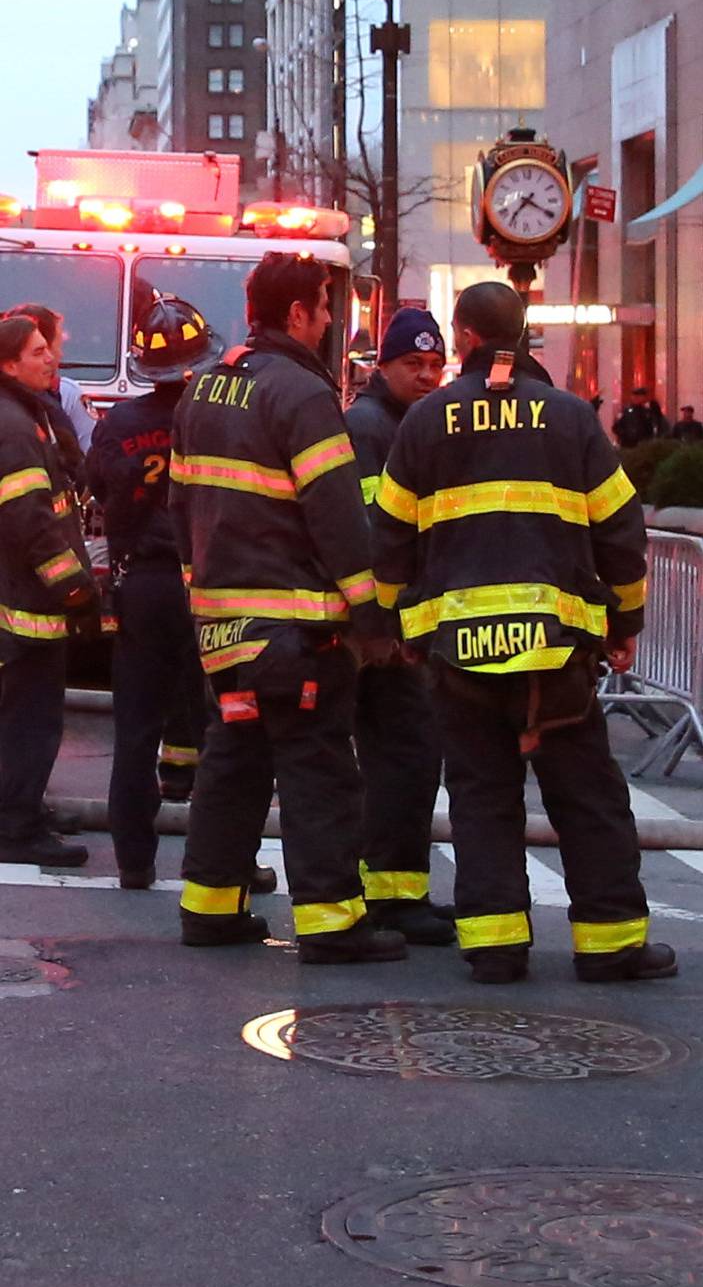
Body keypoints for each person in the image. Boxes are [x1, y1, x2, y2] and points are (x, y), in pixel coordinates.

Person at [372, 279, 674, 987]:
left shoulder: (423, 423)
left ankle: (496, 947)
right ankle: (608, 943)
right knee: (587, 793)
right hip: (557, 654)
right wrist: (624, 623)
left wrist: (404, 628)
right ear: (522, 335)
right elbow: (624, 533)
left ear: (466, 337)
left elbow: (386, 542)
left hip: (459, 656)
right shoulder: (571, 420)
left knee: (481, 793)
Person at [171, 252, 405, 963]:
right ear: (298, 313)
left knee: (234, 760)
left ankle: (209, 906)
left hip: (225, 632)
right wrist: (371, 616)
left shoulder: (202, 389)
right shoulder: (302, 394)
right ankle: (333, 923)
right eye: (325, 306)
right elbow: (337, 516)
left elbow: (181, 509)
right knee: (318, 768)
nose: (330, 320)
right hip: (297, 633)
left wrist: (202, 601)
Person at [88, 297, 226, 888]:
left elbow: (95, 486)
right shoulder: (218, 417)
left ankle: (134, 862)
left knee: (137, 728)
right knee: (222, 727)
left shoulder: (118, 424)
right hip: (208, 588)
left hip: (141, 586)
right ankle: (225, 857)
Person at [342, 304, 456, 943]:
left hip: (409, 619)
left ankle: (395, 888)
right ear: (382, 365)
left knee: (408, 756)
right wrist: (381, 624)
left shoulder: (415, 426)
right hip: (387, 626)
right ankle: (390, 895)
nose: (427, 375)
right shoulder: (368, 426)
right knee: (403, 754)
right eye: (413, 363)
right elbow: (371, 532)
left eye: (436, 364)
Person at [0, 315, 98, 868]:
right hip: (28, 606)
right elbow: (31, 523)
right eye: (38, 352)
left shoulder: (26, 414)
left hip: (27, 599)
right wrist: (76, 591)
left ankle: (21, 810)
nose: (50, 358)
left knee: (26, 718)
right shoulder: (15, 426)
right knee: (30, 722)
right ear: (9, 364)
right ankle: (16, 827)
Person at [6, 304, 95, 456]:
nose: (54, 356)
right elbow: (90, 456)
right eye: (39, 351)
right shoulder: (66, 395)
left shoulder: (55, 397)